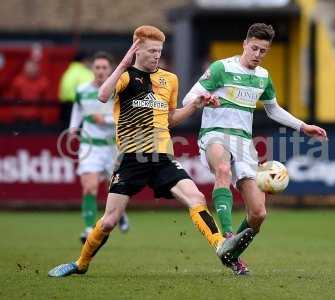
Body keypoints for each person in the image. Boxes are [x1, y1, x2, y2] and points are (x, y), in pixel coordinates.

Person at [48, 25, 254, 278]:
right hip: (131, 160)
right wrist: (123, 63)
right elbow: (103, 95)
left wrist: (195, 106)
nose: (157, 55)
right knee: (110, 220)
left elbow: (169, 119)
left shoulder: (170, 79)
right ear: (137, 50)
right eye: (152, 51)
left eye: (160, 51)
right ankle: (80, 263)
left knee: (196, 199)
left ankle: (222, 247)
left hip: (162, 158)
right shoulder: (124, 77)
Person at [182, 23, 328, 275]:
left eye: (263, 51)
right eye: (254, 48)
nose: (258, 54)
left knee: (259, 214)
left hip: (244, 142)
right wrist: (202, 100)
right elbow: (187, 99)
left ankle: (231, 255)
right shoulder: (221, 68)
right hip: (215, 134)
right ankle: (226, 234)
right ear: (244, 44)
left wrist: (303, 126)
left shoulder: (263, 76)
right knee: (223, 170)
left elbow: (272, 109)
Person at [69, 51, 129, 244]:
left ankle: (119, 214)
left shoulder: (117, 90)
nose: (101, 71)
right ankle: (88, 228)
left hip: (112, 148)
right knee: (89, 188)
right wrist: (72, 129)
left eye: (104, 67)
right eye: (97, 67)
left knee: (114, 188)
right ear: (92, 69)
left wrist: (102, 119)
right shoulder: (82, 90)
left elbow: (122, 118)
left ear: (110, 70)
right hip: (90, 146)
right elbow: (78, 109)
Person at [59, 51, 94, 126]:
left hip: (65, 106)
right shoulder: (85, 73)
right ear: (84, 61)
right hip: (79, 105)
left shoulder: (68, 72)